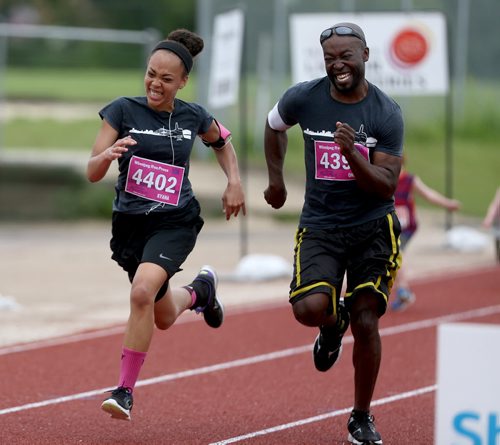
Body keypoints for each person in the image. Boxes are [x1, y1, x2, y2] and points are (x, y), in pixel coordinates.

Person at [86, 28, 246, 421]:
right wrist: (107, 154)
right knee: (162, 315)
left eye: (167, 78)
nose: (156, 84)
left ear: (183, 82)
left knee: (141, 293)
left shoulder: (194, 116)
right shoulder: (122, 110)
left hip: (175, 221)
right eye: (151, 74)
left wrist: (234, 182)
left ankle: (123, 392)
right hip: (129, 226)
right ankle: (200, 293)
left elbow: (222, 142)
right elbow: (92, 171)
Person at [264, 23, 404, 444]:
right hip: (321, 225)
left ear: (365, 55)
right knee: (308, 309)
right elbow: (273, 126)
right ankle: (331, 322)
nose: (337, 65)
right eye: (330, 58)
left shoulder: (385, 112)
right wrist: (276, 181)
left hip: (372, 227)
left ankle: (361, 417)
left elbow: (385, 183)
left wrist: (352, 155)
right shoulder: (303, 97)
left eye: (346, 56)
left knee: (366, 319)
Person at [391, 161, 461, 310]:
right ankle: (402, 291)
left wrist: (448, 204)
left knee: (396, 252)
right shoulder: (384, 178)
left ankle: (403, 290)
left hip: (406, 228)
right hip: (389, 226)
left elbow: (429, 195)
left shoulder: (410, 180)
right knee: (391, 257)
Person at [482, 187, 500, 262]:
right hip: (498, 218)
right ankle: (498, 255)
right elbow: (495, 205)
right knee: (497, 236)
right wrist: (489, 218)